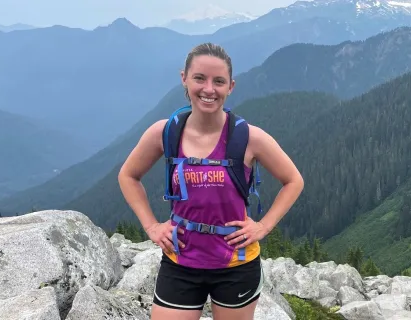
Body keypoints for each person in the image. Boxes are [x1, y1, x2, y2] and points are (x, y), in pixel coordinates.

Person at [118, 42, 304, 320]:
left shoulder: (249, 137)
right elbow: (128, 176)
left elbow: (293, 181)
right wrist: (151, 226)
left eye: (219, 81)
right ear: (184, 79)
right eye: (199, 78)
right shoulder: (165, 133)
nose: (209, 89)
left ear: (231, 86)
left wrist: (263, 227)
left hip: (236, 264)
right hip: (180, 261)